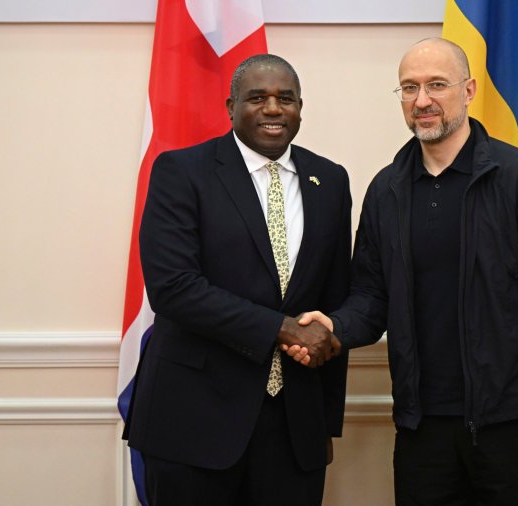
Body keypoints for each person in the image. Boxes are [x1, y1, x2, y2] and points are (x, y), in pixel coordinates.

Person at [288, 38, 518, 505]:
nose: (422, 101)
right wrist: (335, 325)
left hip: (517, 431)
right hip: (422, 431)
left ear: (469, 90)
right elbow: (371, 299)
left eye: (436, 85)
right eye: (409, 88)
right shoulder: (385, 191)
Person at [123, 54, 351, 506]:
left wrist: (321, 424)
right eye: (257, 98)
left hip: (292, 431)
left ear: (300, 108)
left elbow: (333, 296)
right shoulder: (182, 171)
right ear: (230, 106)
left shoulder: (329, 179)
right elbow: (173, 288)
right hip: (194, 423)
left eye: (285, 99)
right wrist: (280, 328)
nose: (272, 109)